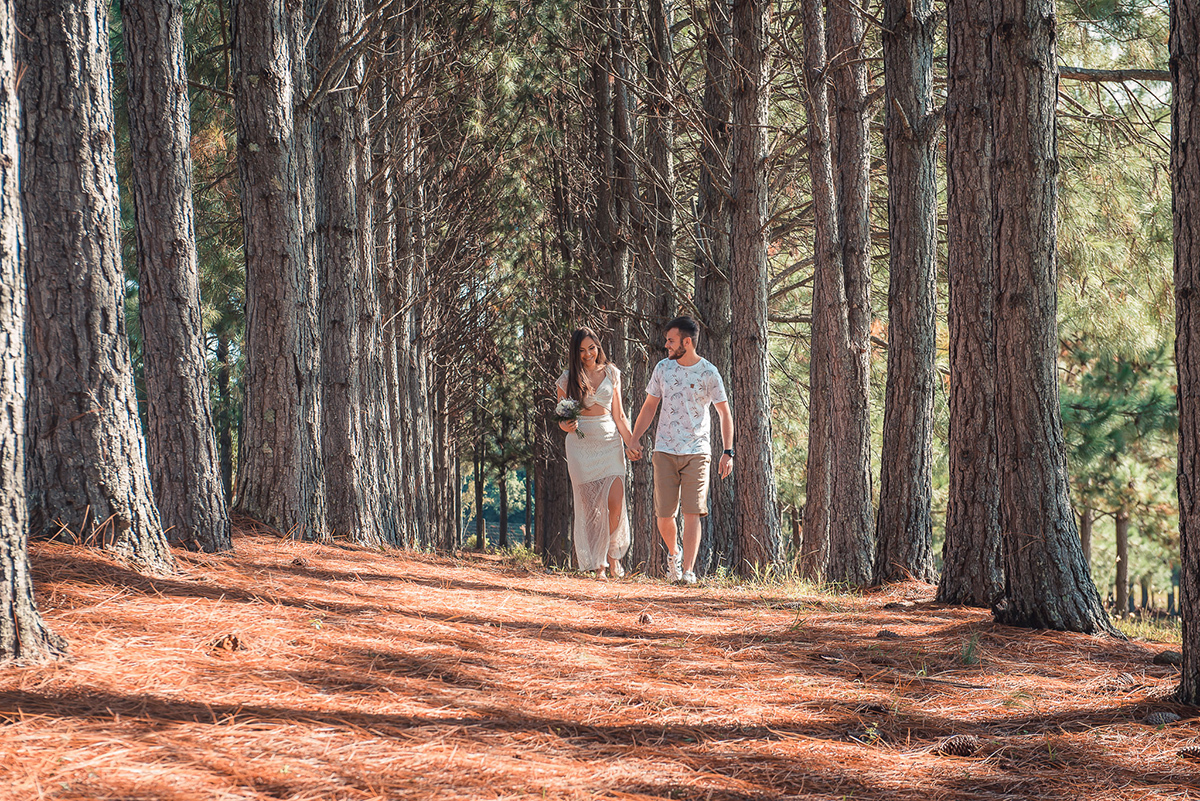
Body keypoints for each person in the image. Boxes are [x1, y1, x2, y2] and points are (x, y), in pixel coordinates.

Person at [629, 316, 733, 584]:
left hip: (698, 451)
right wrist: (634, 438)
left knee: (692, 511)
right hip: (664, 449)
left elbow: (724, 413)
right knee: (664, 515)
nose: (666, 345)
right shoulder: (663, 369)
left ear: (687, 342)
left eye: (671, 340)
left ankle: (688, 571)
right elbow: (650, 406)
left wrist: (728, 451)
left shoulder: (709, 372)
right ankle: (674, 554)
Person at [556, 327, 641, 578]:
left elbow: (620, 415)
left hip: (609, 441)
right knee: (592, 507)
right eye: (582, 350)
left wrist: (631, 442)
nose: (588, 354)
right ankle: (600, 563)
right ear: (575, 353)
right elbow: (562, 418)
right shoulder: (566, 379)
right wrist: (566, 425)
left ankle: (614, 555)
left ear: (598, 347)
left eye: (591, 348)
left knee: (615, 504)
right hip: (581, 444)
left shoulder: (612, 373)